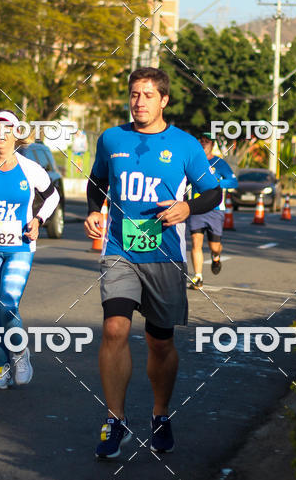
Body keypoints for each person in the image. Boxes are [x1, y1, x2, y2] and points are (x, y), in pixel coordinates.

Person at [84, 68, 222, 460]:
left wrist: (186, 207)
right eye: (134, 94)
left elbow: (212, 193)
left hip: (164, 255)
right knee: (114, 328)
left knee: (159, 342)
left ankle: (160, 414)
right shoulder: (112, 139)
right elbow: (96, 183)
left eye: (147, 95)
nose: (139, 101)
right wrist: (95, 210)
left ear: (164, 100)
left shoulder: (184, 145)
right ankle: (115, 420)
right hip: (119, 251)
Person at [0, 111, 60, 390]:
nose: (1, 134)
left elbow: (53, 196)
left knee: (7, 303)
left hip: (20, 247)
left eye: (7, 129)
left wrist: (38, 220)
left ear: (16, 135)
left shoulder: (30, 168)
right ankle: (3, 369)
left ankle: (20, 354)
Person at [187, 132, 237, 288]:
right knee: (196, 242)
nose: (203, 143)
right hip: (196, 207)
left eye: (207, 141)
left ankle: (216, 256)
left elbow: (233, 182)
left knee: (214, 246)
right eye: (200, 140)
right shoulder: (193, 162)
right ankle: (198, 277)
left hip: (215, 208)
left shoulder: (220, 163)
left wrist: (216, 183)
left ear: (212, 144)